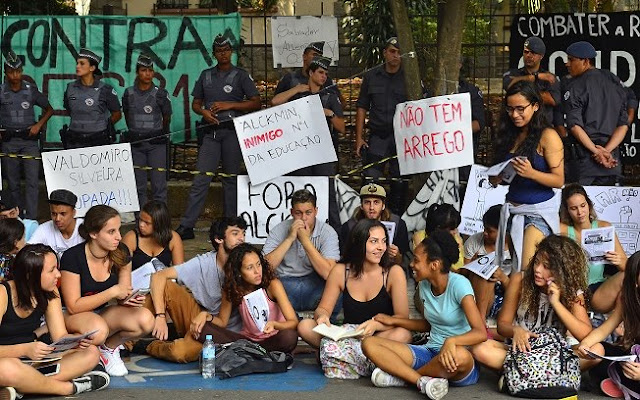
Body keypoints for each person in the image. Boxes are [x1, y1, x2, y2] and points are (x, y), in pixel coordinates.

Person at [361, 230, 486, 399]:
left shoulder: (460, 285)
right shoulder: (424, 286)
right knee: (369, 343)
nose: (411, 264)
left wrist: (452, 341)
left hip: (456, 360)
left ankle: (404, 379)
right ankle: (420, 381)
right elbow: (428, 325)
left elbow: (480, 332)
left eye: (416, 260)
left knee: (461, 355)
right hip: (429, 352)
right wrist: (393, 321)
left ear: (434, 265)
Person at [175, 34, 261, 240]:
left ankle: (231, 224)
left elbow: (256, 102)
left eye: (226, 50)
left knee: (230, 180)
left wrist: (230, 105)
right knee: (201, 179)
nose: (223, 54)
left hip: (232, 133)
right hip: (211, 134)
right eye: (219, 51)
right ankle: (187, 225)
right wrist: (204, 112)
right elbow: (196, 103)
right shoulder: (206, 75)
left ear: (231, 52)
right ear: (214, 54)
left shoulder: (240, 75)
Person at [0, 244, 110, 397]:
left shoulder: (50, 291)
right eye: (52, 270)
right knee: (7, 369)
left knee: (90, 352)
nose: (58, 275)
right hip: (7, 359)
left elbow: (60, 336)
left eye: (57, 268)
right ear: (30, 275)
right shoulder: (2, 294)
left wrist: (75, 341)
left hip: (32, 361)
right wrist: (25, 349)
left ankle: (22, 386)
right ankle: (68, 388)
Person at [471, 235, 592, 372]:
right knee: (480, 349)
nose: (537, 270)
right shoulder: (520, 280)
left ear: (562, 270)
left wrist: (556, 303)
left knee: (596, 350)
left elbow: (586, 334)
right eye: (536, 262)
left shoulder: (572, 291)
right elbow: (502, 326)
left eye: (546, 266)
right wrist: (516, 330)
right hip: (520, 351)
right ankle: (549, 375)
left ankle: (522, 374)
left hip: (554, 353)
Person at [60, 205, 154, 377]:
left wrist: (130, 299)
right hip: (71, 315)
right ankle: (76, 356)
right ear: (94, 234)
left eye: (119, 230)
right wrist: (112, 292)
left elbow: (122, 293)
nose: (118, 237)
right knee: (98, 330)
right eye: (111, 232)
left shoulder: (121, 252)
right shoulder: (72, 257)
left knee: (145, 319)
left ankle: (108, 349)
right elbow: (73, 306)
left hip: (100, 313)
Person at [140, 217, 246, 363]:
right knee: (165, 286)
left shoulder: (247, 263)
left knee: (179, 353)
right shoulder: (204, 263)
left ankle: (150, 345)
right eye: (235, 233)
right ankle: (124, 344)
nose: (242, 238)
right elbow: (159, 276)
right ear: (219, 239)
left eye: (243, 233)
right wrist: (160, 316)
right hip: (198, 321)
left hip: (225, 334)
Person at [298, 219, 411, 349]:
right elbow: (323, 309)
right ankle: (355, 356)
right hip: (350, 336)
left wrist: (376, 325)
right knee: (305, 326)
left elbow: (402, 319)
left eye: (384, 241)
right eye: (374, 241)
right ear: (359, 243)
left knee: (403, 335)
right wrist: (322, 316)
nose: (381, 247)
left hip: (380, 337)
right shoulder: (341, 271)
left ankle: (342, 356)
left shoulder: (394, 272)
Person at [492, 80, 564, 272]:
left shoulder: (548, 136)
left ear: (535, 106)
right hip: (511, 211)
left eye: (520, 109)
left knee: (527, 271)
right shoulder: (508, 134)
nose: (514, 114)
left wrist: (532, 173)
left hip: (538, 213)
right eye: (510, 109)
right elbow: (503, 175)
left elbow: (559, 180)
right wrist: (497, 178)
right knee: (508, 271)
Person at [272, 55, 344, 230]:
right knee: (299, 190)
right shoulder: (298, 95)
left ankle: (334, 231)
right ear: (310, 73)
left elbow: (342, 127)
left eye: (326, 73)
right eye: (320, 72)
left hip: (322, 153)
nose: (324, 76)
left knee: (326, 191)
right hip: (300, 154)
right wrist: (295, 90)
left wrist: (330, 114)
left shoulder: (330, 96)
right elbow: (274, 102)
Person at [205, 243, 298, 353]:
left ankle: (253, 354)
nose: (257, 271)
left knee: (289, 336)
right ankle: (254, 354)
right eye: (249, 268)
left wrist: (275, 325)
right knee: (204, 330)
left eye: (258, 264)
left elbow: (293, 322)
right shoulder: (233, 288)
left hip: (273, 339)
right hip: (248, 342)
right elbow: (222, 322)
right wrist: (206, 316)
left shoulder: (273, 285)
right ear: (238, 272)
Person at [263, 189, 341, 318]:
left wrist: (305, 240)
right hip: (285, 285)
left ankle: (326, 330)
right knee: (266, 288)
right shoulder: (279, 230)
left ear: (316, 211)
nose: (304, 218)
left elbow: (329, 273)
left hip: (314, 284)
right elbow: (265, 269)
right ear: (292, 212)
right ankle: (293, 327)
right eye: (298, 213)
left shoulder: (327, 232)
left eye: (308, 213)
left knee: (337, 288)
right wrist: (289, 239)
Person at [355, 37, 410, 216]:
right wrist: (359, 137)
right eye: (392, 51)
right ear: (385, 53)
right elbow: (362, 106)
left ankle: (395, 220)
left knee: (399, 182)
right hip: (377, 136)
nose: (395, 56)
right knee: (371, 180)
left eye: (398, 52)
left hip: (402, 138)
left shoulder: (409, 77)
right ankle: (368, 219)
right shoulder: (372, 76)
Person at [563, 41, 628, 185]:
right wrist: (607, 151)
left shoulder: (575, 86)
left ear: (585, 61)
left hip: (585, 162)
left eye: (571, 60)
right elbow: (623, 125)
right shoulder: (613, 82)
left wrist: (597, 152)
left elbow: (574, 126)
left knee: (579, 206)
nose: (567, 64)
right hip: (611, 160)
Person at [577, 251, 640, 398]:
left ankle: (621, 384)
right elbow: (605, 329)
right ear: (635, 281)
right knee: (598, 351)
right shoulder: (628, 300)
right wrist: (585, 344)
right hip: (634, 359)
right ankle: (621, 382)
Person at [0, 51, 53, 219]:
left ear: (22, 71)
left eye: (18, 71)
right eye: (11, 71)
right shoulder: (1, 91)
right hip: (9, 142)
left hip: (29, 142)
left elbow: (49, 109)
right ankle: (17, 218)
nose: (15, 75)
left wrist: (39, 125)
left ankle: (31, 219)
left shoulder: (31, 90)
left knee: (32, 183)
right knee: (13, 183)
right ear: (5, 72)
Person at [559, 183, 627, 313]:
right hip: (572, 291)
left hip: (599, 289)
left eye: (583, 206)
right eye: (573, 208)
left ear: (589, 205)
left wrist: (618, 261)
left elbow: (629, 268)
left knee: (629, 275)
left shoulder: (604, 227)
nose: (580, 212)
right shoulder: (562, 229)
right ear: (566, 210)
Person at [123, 54, 172, 206]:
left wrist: (158, 133)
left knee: (159, 186)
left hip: (156, 145)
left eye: (150, 71)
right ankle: (141, 223)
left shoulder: (161, 94)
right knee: (139, 187)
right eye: (144, 70)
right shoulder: (129, 93)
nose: (148, 74)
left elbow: (167, 117)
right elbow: (127, 115)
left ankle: (160, 223)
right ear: (138, 72)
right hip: (136, 145)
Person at [62, 48, 121, 149]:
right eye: (77, 63)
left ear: (92, 68)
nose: (77, 66)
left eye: (82, 64)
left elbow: (117, 114)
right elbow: (70, 110)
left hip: (98, 140)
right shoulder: (70, 88)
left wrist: (100, 126)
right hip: (75, 141)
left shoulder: (105, 89)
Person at [339, 183, 409, 265]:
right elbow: (344, 259)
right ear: (361, 205)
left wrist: (396, 256)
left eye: (376, 202)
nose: (371, 207)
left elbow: (405, 262)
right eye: (367, 202)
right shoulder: (349, 227)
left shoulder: (398, 224)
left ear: (383, 205)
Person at [464, 205, 511, 325]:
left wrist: (502, 277)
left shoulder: (515, 248)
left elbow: (517, 288)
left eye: (490, 231)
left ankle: (479, 323)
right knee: (486, 274)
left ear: (503, 231)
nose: (485, 233)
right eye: (484, 228)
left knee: (491, 273)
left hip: (504, 294)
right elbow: (463, 277)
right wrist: (473, 266)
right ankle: (480, 321)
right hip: (475, 289)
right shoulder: (474, 242)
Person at [502, 36, 560, 124]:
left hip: (542, 125)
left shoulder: (549, 77)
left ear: (541, 56)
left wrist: (523, 92)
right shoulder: (512, 74)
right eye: (526, 52)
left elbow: (553, 100)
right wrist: (534, 78)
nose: (529, 55)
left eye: (533, 53)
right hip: (517, 125)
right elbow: (509, 87)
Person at [122, 200, 184, 271]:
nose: (141, 225)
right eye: (140, 220)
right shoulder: (131, 238)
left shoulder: (173, 238)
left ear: (159, 224)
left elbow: (179, 271)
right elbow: (124, 272)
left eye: (147, 223)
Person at [273, 41, 340, 99]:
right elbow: (275, 102)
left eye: (320, 56)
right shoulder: (289, 78)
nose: (317, 58)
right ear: (304, 57)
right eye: (314, 55)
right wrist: (295, 90)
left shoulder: (326, 80)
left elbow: (341, 103)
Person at [28, 189, 84, 258]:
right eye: (54, 214)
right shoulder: (44, 229)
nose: (57, 219)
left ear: (73, 213)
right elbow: (27, 251)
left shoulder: (85, 227)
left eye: (63, 214)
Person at [412, 203, 464, 272]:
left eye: (456, 228)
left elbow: (459, 269)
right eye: (452, 229)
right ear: (439, 228)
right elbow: (424, 268)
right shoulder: (419, 237)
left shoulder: (457, 239)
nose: (455, 232)